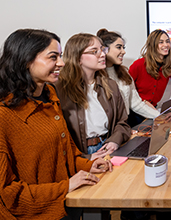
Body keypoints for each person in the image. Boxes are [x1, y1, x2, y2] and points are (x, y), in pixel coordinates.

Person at [0, 29, 112, 219]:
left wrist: (86, 165)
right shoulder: (5, 115)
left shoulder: (50, 98)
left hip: (65, 205)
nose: (61, 63)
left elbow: (65, 153)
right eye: (53, 57)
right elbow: (7, 193)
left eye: (60, 56)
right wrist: (66, 186)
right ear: (25, 60)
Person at [56, 33, 131, 160]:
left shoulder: (111, 85)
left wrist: (114, 141)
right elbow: (58, 137)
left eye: (102, 49)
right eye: (94, 51)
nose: (102, 54)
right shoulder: (59, 89)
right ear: (77, 57)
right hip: (79, 154)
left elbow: (122, 122)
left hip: (107, 147)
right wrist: (85, 157)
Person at [96, 29, 159, 127]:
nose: (124, 51)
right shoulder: (96, 76)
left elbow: (136, 104)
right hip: (109, 129)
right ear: (105, 49)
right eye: (119, 47)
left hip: (125, 124)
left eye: (123, 47)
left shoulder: (124, 73)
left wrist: (160, 117)